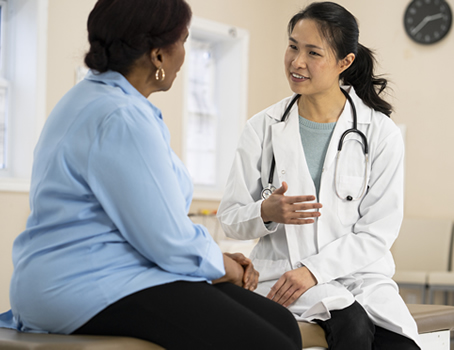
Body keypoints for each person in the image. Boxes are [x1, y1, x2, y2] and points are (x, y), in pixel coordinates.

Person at [0, 1, 303, 349]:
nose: (184, 56)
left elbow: (151, 227)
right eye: (184, 41)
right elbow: (167, 241)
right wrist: (227, 267)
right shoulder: (121, 117)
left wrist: (214, 260)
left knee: (281, 323)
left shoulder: (97, 99)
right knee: (270, 343)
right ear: (158, 55)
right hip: (84, 285)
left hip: (107, 274)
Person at [217, 2, 421, 349]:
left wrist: (314, 269)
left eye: (313, 52)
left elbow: (377, 231)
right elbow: (230, 220)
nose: (297, 62)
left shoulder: (380, 132)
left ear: (345, 62)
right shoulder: (262, 129)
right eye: (293, 46)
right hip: (285, 277)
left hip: (361, 280)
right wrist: (265, 212)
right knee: (352, 327)